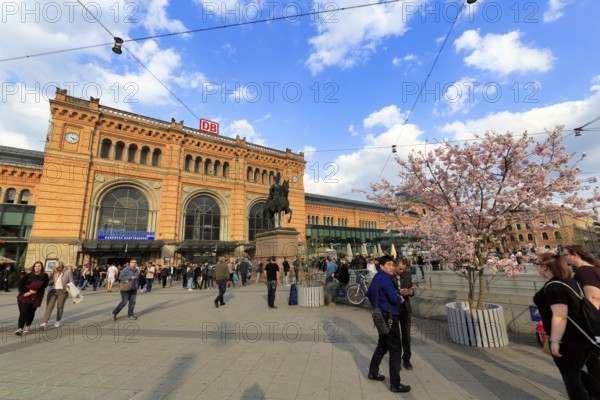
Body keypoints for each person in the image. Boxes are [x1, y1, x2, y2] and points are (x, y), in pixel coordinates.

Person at [532, 253, 600, 399]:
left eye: (536, 264)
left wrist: (555, 341)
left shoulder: (554, 287)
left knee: (571, 377)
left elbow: (560, 315)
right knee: (574, 372)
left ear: (544, 267)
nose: (536, 267)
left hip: (569, 338)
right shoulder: (568, 280)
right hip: (582, 336)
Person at [366, 255, 410, 393]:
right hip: (390, 318)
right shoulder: (385, 279)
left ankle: (373, 372)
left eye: (392, 264)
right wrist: (400, 298)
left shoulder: (376, 278)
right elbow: (393, 298)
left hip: (379, 316)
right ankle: (395, 384)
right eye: (389, 264)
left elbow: (369, 294)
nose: (392, 267)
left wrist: (377, 306)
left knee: (382, 345)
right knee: (396, 350)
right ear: (382, 266)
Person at [563, 244, 600, 381]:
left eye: (565, 254)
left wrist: (589, 324)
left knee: (593, 361)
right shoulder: (594, 268)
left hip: (594, 322)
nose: (564, 258)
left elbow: (594, 298)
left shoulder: (584, 271)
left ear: (575, 255)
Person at [15, 261, 49, 335]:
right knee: (23, 312)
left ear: (42, 267)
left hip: (36, 296)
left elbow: (44, 286)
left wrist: (32, 291)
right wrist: (25, 292)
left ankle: (27, 326)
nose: (37, 267)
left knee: (31, 312)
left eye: (39, 266)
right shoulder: (28, 275)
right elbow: (21, 285)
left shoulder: (44, 275)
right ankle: (20, 328)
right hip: (24, 295)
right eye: (36, 266)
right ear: (33, 267)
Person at [394, 259, 415, 370]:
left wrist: (411, 292)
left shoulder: (407, 275)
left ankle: (406, 359)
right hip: (394, 309)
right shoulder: (389, 275)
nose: (402, 271)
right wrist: (399, 292)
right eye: (400, 269)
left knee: (406, 336)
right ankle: (396, 359)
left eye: (403, 269)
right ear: (395, 266)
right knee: (396, 336)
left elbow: (411, 287)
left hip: (405, 308)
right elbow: (387, 290)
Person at [40, 260, 74, 329]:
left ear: (62, 267)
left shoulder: (68, 272)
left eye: (59, 267)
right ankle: (44, 323)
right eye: (56, 268)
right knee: (49, 307)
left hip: (63, 292)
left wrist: (68, 285)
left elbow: (72, 281)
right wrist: (50, 282)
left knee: (60, 306)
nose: (58, 269)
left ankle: (58, 320)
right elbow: (48, 283)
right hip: (52, 291)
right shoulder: (53, 273)